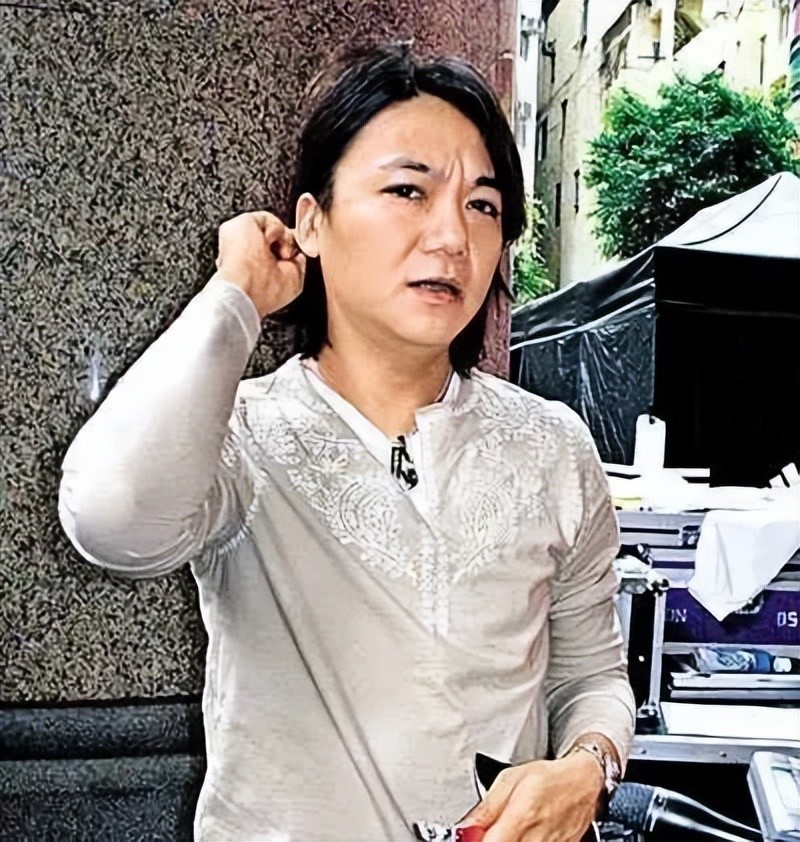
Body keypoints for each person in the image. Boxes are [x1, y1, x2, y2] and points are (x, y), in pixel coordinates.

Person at [58, 42, 635, 842]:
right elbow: (111, 518)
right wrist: (235, 298)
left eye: (483, 205)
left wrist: (588, 767)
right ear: (312, 222)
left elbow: (591, 673)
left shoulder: (552, 447)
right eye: (408, 190)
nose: (452, 237)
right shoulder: (241, 437)